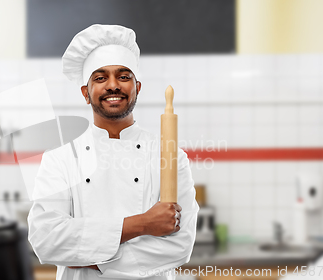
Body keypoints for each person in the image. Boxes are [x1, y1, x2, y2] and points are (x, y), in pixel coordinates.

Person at [27, 24, 199, 280]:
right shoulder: (60, 158)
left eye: (123, 76)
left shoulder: (169, 155)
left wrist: (95, 261)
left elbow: (180, 245)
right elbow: (45, 239)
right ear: (86, 93)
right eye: (100, 78)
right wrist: (142, 224)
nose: (112, 85)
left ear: (137, 87)